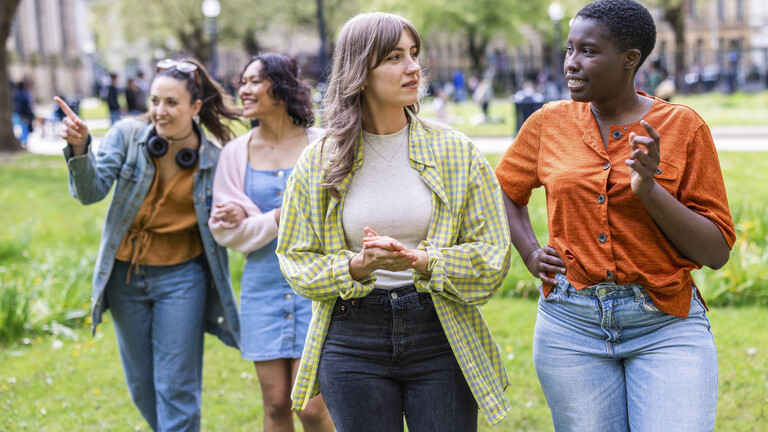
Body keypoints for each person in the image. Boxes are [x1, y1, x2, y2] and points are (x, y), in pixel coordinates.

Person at [494, 1, 736, 431]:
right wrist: (530, 251)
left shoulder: (683, 127)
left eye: (588, 51)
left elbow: (716, 250)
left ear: (630, 59)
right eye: (569, 49)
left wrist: (650, 191)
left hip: (664, 324)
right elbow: (503, 190)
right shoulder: (549, 122)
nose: (571, 62)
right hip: (570, 325)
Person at [275, 12, 512, 431]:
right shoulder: (320, 161)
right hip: (352, 338)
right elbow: (295, 258)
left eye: (415, 54)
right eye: (395, 57)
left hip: (440, 332)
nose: (413, 67)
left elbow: (492, 256)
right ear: (360, 72)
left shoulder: (457, 152)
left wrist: (424, 261)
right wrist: (355, 267)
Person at [55, 57, 242, 431]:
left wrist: (236, 216)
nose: (159, 111)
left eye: (172, 103)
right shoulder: (128, 136)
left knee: (176, 387)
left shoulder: (214, 161)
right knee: (142, 388)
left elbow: (238, 218)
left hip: (181, 280)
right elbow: (90, 191)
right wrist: (80, 149)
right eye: (155, 101)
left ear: (195, 107)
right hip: (125, 278)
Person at [208, 53, 334, 432]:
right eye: (241, 82)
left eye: (253, 81)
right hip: (262, 287)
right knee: (277, 405)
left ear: (280, 88)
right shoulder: (235, 153)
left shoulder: (324, 145)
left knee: (311, 408)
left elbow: (335, 217)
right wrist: (282, 216)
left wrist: (262, 220)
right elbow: (226, 231)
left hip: (317, 288)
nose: (243, 90)